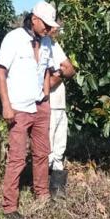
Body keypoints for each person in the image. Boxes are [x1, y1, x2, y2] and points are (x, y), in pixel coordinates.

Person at [0, 1, 59, 219]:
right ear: (34, 19)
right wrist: (6, 105)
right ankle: (9, 207)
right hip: (19, 108)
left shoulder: (48, 42)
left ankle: (42, 194)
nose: (48, 29)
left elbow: (47, 72)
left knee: (42, 153)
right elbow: (0, 71)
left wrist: (46, 97)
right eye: (46, 25)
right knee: (18, 158)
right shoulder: (14, 39)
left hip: (40, 106)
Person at [47, 28, 76, 198]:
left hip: (59, 105)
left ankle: (58, 190)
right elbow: (45, 83)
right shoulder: (35, 47)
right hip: (47, 106)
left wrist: (57, 74)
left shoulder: (53, 44)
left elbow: (70, 69)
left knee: (59, 148)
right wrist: (60, 73)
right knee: (47, 150)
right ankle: (44, 189)